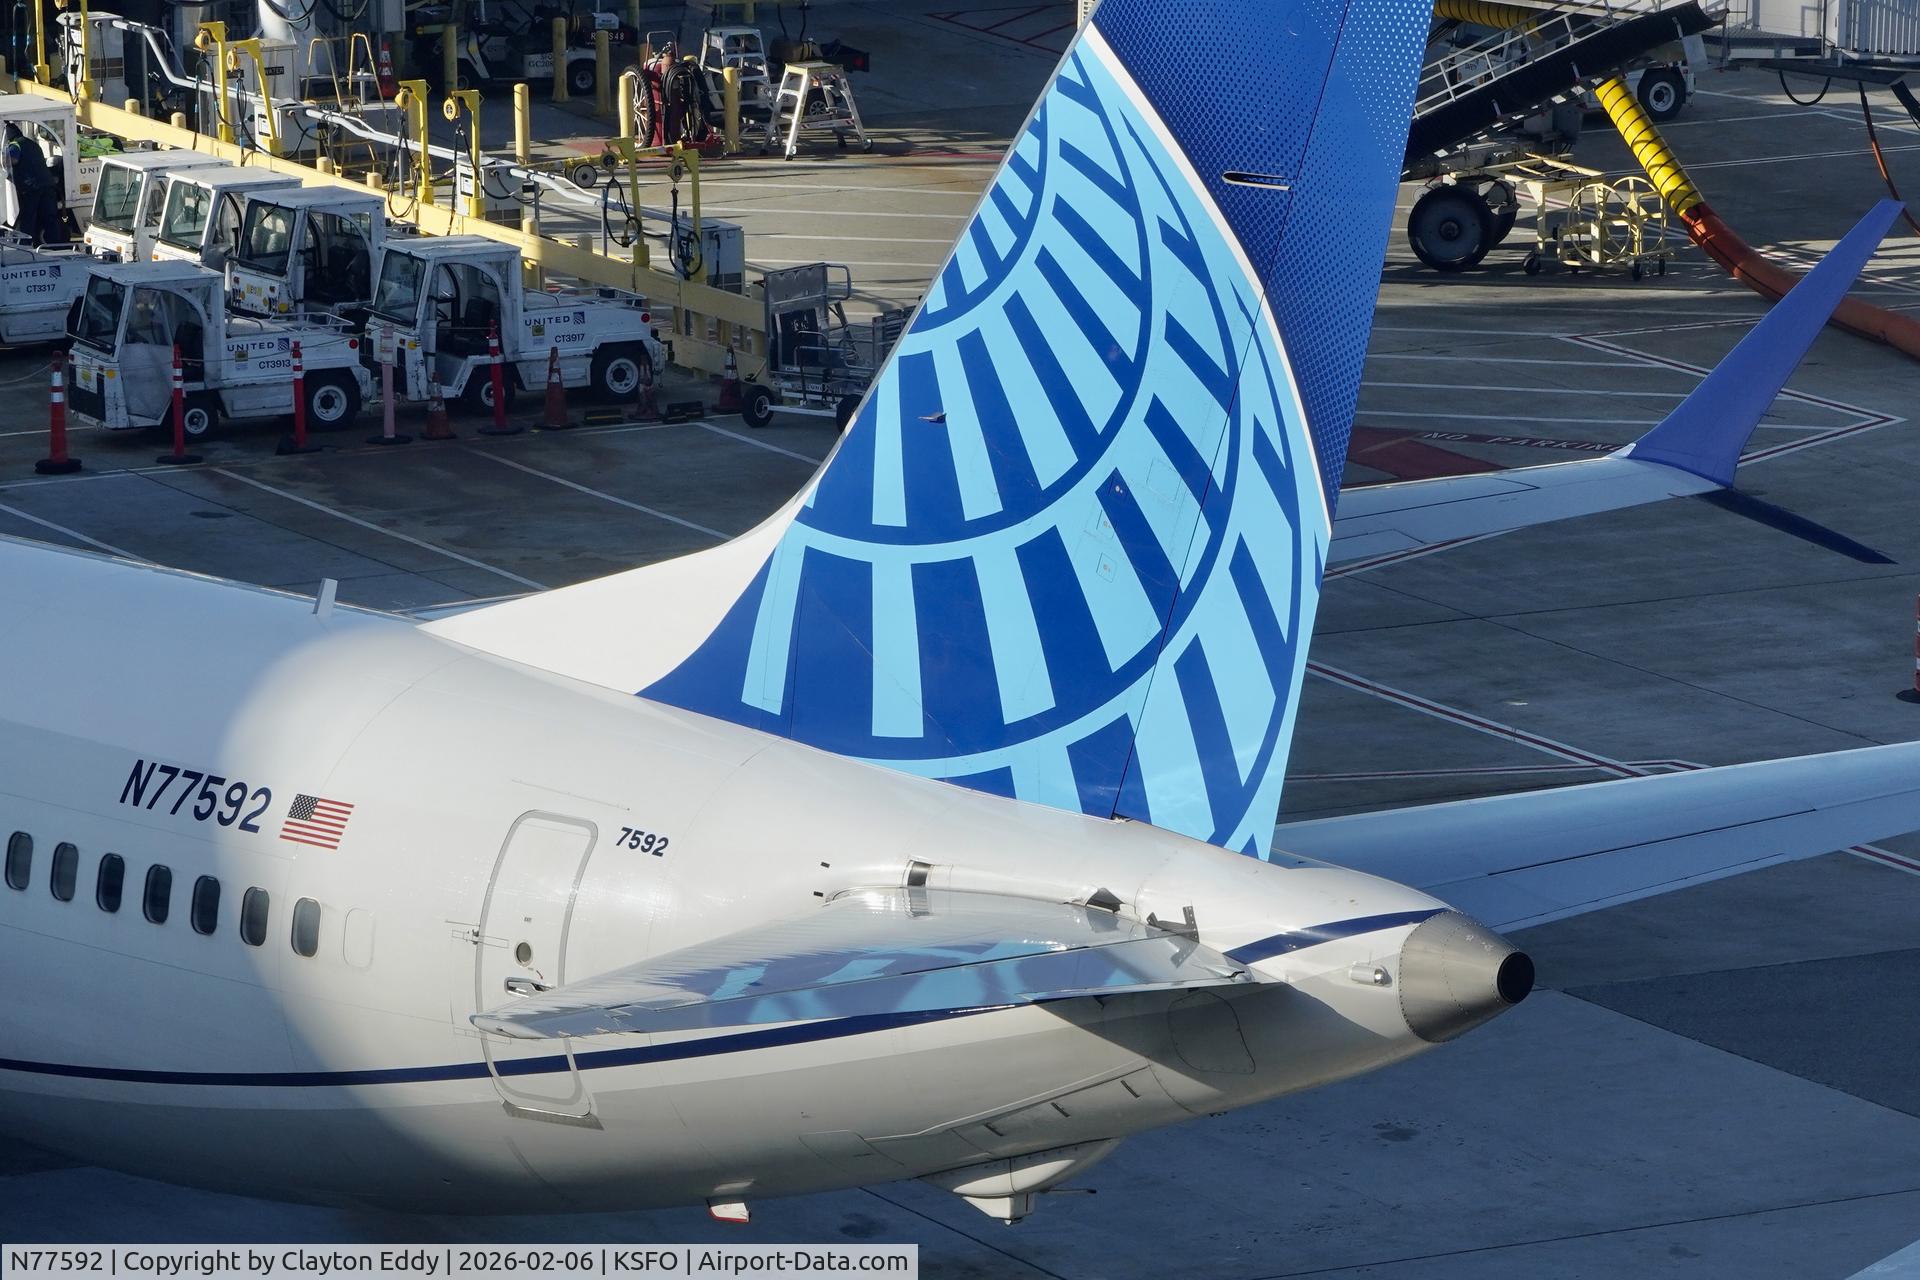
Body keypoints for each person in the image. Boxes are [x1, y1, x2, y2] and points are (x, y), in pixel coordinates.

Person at [3, 122, 63, 246]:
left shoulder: (15, 145)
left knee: (28, 217)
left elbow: (12, 160)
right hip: (47, 184)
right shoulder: (32, 143)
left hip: (31, 187)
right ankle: (56, 244)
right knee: (49, 217)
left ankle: (25, 245)